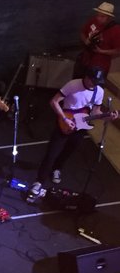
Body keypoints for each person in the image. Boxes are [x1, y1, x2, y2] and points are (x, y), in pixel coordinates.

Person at [29, 67, 118, 197]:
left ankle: (57, 168)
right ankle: (39, 181)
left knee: (69, 151)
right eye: (93, 81)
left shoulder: (99, 91)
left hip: (81, 125)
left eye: (97, 82)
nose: (95, 84)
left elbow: (95, 112)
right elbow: (54, 101)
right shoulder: (73, 85)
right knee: (51, 153)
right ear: (86, 77)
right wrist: (64, 119)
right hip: (65, 121)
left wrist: (108, 117)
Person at [74, 2, 120, 79]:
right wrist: (86, 41)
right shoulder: (93, 20)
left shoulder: (116, 30)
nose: (98, 18)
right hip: (85, 61)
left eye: (102, 16)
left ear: (109, 18)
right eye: (98, 15)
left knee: (95, 85)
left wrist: (102, 51)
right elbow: (82, 32)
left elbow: (118, 50)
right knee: (78, 81)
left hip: (100, 65)